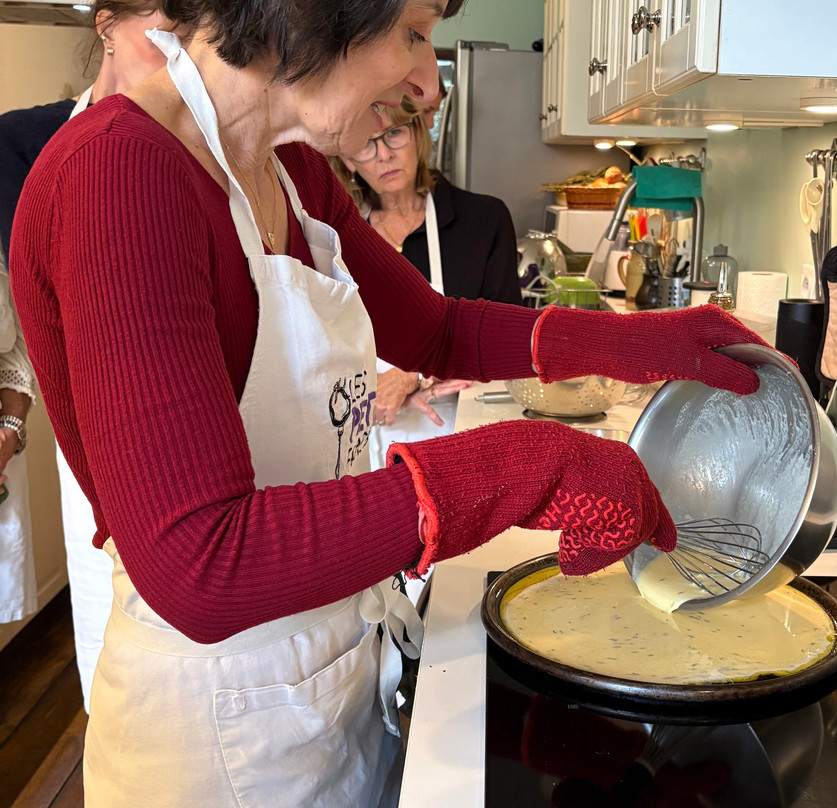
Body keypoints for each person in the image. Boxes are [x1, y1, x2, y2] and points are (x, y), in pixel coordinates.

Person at [8, 0, 769, 804]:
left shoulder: (287, 170)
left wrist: (641, 343)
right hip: (221, 738)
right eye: (413, 33)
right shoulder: (118, 174)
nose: (427, 85)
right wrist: (531, 468)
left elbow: (437, 331)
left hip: (334, 674)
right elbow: (201, 564)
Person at [0, 1, 184, 711]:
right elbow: (24, 312)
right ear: (106, 26)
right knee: (112, 657)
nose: (180, 58)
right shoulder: (21, 146)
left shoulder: (201, 145)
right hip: (93, 438)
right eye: (163, 32)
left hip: (197, 421)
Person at [332, 104, 522, 466]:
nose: (384, 154)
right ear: (348, 160)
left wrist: (412, 377)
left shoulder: (483, 220)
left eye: (393, 133)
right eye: (365, 143)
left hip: (459, 429)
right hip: (368, 432)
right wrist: (377, 391)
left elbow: (504, 340)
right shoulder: (338, 238)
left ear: (418, 135)